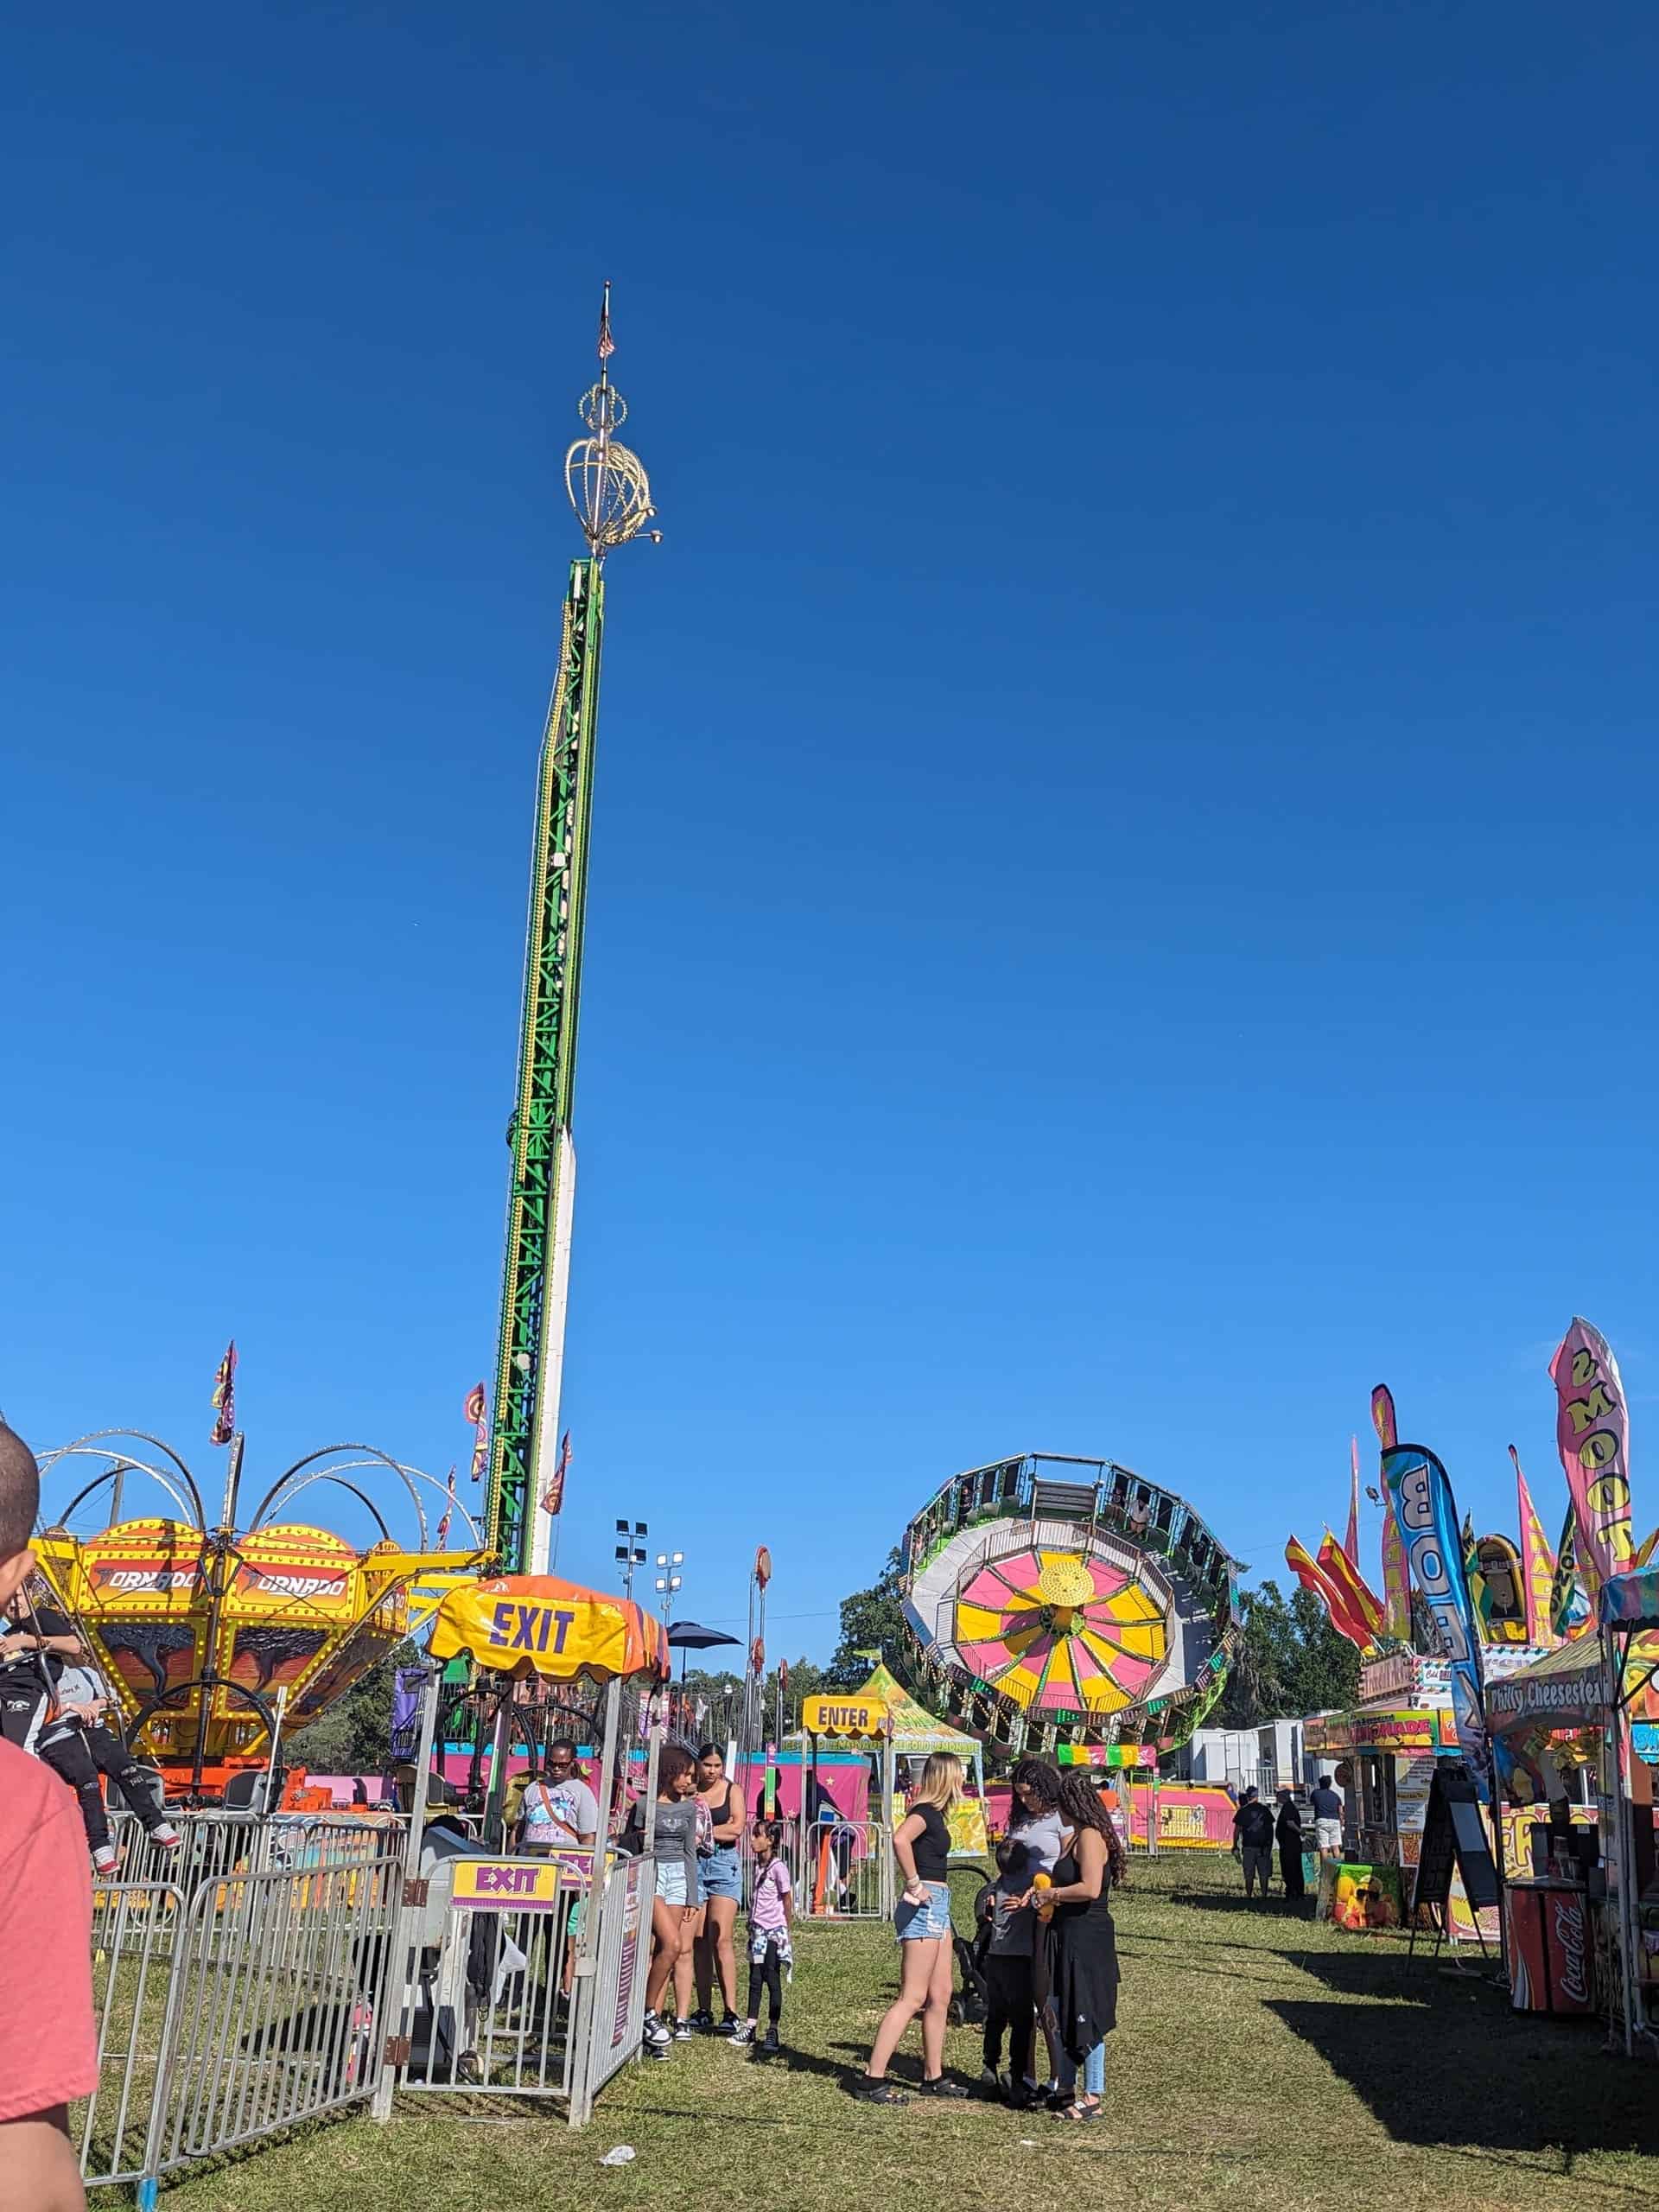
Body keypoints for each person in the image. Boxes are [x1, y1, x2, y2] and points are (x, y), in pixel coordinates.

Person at [0, 1419, 99, 2212]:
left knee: (85, 1757)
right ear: (16, 1572)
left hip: (56, 1723)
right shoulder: (22, 1812)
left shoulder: (50, 1645)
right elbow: (25, 2179)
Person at [0, 1585, 179, 1872]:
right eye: (7, 1603)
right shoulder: (38, 1676)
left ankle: (155, 1824)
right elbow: (43, 1706)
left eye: (17, 1599)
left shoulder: (82, 1671)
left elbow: (99, 1685)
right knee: (86, 1778)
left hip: (88, 1728)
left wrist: (94, 1706)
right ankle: (100, 1846)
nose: (13, 1607)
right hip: (58, 1731)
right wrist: (72, 1708)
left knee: (122, 1764)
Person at [855, 1751, 971, 2104]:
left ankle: (933, 2076)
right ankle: (871, 2079)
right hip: (924, 1905)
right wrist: (914, 1883)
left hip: (939, 1906)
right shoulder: (923, 1812)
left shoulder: (935, 1814)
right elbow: (899, 1839)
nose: (963, 1781)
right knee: (913, 1997)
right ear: (945, 1777)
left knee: (941, 1994)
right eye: (960, 1774)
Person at [1039, 1770, 1125, 2122]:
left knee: (1087, 2011)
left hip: (1088, 1935)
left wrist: (1053, 1894)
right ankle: (1066, 2086)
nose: (1056, 1810)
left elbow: (1090, 1888)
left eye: (1059, 1803)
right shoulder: (1072, 1838)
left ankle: (1093, 2095)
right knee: (1061, 2009)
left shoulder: (1090, 1837)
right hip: (1065, 1932)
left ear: (1072, 1802)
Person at [624, 1745, 702, 2058]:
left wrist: (693, 1894)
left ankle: (651, 2031)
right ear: (670, 1773)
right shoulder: (643, 1805)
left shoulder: (688, 1809)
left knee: (670, 1951)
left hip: (678, 1878)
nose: (688, 1782)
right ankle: (646, 2013)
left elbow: (689, 1851)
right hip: (651, 1873)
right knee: (666, 1945)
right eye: (685, 1775)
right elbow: (630, 1843)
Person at [1004, 1756, 1065, 2094]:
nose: (1024, 1800)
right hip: (1014, 1911)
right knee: (1022, 1998)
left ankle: (1057, 2076)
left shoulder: (1060, 1820)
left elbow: (1066, 1866)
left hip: (1046, 1910)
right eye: (1019, 1795)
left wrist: (1038, 1892)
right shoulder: (1020, 1820)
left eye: (1029, 1794)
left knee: (1044, 1998)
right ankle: (1026, 2073)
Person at [973, 1837, 1037, 2105]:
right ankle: (1017, 2076)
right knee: (1022, 2021)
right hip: (1019, 1960)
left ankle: (989, 2068)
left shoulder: (995, 1888)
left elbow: (983, 1913)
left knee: (996, 2016)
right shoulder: (1027, 1891)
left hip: (995, 1960)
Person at [691, 1743, 747, 2033]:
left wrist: (702, 1833)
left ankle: (731, 2011)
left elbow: (737, 1827)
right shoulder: (692, 1790)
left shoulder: (732, 1790)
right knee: (698, 1938)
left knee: (720, 1936)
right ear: (698, 1765)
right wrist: (711, 1831)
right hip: (695, 1864)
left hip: (724, 1864)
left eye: (717, 1765)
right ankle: (703, 2008)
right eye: (707, 1765)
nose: (712, 1771)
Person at [732, 1819, 791, 2054]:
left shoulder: (779, 1868)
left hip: (774, 1932)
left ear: (771, 1840)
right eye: (753, 1835)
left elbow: (786, 1899)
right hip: (757, 1931)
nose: (753, 1840)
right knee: (755, 1978)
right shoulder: (757, 1865)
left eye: (758, 1836)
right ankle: (751, 2026)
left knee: (771, 1976)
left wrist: (787, 1930)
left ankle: (773, 2029)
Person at [1231, 1786, 1274, 1902]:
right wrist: (1269, 1846)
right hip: (1263, 1847)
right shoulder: (1264, 1810)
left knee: (1249, 1873)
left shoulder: (1242, 1811)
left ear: (1247, 1796)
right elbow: (1270, 1829)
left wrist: (1235, 1845)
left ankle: (1249, 1895)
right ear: (1257, 1796)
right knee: (1263, 1873)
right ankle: (1264, 1895)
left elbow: (1237, 1831)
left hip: (1248, 1846)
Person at [1275, 1789, 1306, 1908]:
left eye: (1278, 1795)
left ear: (1283, 1797)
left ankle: (1292, 1892)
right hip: (1290, 1843)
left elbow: (1290, 1822)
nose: (1276, 1798)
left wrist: (1300, 1832)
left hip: (1289, 1844)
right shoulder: (1289, 1807)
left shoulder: (1288, 1807)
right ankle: (1297, 1892)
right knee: (1295, 1868)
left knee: (1290, 1868)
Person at [1310, 1773, 1344, 1858]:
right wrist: (1341, 1823)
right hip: (1335, 1821)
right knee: (1335, 1846)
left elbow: (1312, 1803)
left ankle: (1325, 1868)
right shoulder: (1336, 1796)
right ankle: (1337, 1867)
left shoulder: (1315, 1793)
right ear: (1330, 1784)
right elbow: (1340, 1812)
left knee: (1323, 1847)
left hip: (1322, 1820)